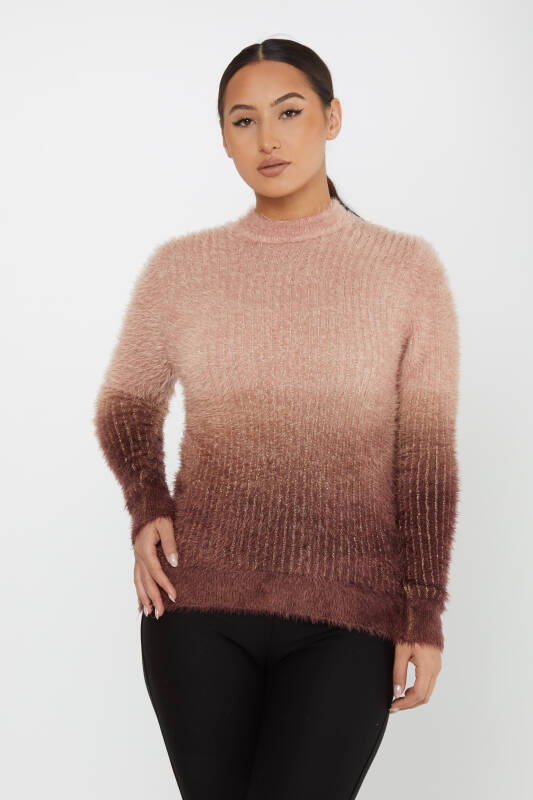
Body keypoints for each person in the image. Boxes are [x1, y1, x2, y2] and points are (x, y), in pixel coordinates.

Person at [93, 38, 460, 800]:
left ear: (331, 117)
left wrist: (421, 612)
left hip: (347, 622)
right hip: (196, 611)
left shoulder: (405, 271)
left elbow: (423, 462)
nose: (267, 139)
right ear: (224, 138)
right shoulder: (181, 269)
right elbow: (124, 403)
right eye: (243, 120)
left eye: (289, 112)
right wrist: (146, 502)